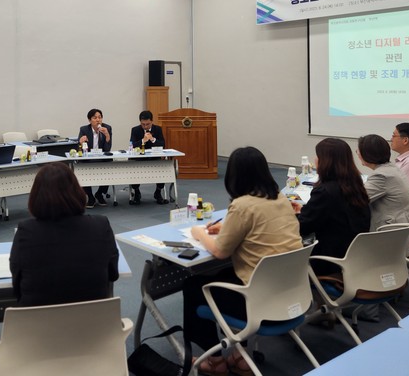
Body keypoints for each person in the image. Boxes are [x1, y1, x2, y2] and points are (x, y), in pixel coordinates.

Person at [184, 147, 302, 375]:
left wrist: (198, 233)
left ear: (234, 176)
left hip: (257, 300)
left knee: (193, 286)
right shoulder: (280, 198)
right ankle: (241, 357)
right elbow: (259, 226)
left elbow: (219, 252)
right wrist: (227, 227)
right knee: (225, 275)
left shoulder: (242, 205)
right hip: (290, 292)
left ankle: (215, 361)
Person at [9, 162, 119, 306]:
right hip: (94, 319)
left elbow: (16, 284)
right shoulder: (101, 225)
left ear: (36, 196)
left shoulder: (25, 232)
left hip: (39, 320)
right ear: (77, 191)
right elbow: (113, 274)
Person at [292, 138, 370, 276]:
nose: (315, 159)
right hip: (355, 254)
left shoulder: (325, 191)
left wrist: (295, 215)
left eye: (318, 156)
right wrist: (304, 211)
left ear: (325, 161)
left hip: (330, 260)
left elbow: (304, 227)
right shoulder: (355, 184)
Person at [358, 134, 409, 233]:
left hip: (391, 233)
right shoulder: (391, 168)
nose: (357, 154)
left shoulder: (382, 176)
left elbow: (357, 200)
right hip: (404, 228)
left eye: (358, 152)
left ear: (367, 155)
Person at [129, 110, 167, 204]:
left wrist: (153, 139)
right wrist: (143, 140)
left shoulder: (158, 129)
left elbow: (162, 144)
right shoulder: (135, 130)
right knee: (134, 169)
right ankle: (136, 192)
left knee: (163, 168)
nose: (145, 126)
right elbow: (132, 145)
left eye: (148, 124)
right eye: (143, 124)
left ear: (152, 121)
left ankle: (158, 192)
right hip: (139, 159)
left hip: (155, 158)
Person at [77, 108, 112, 207]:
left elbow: (107, 149)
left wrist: (107, 136)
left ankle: (99, 193)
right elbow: (79, 149)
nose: (98, 120)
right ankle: (90, 196)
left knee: (110, 164)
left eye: (100, 117)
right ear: (89, 120)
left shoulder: (107, 128)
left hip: (101, 158)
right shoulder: (84, 129)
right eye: (95, 118)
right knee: (82, 167)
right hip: (88, 158)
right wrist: (80, 142)